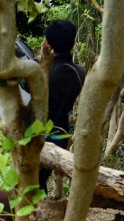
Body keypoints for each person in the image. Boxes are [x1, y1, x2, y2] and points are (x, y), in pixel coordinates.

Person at [41, 19, 85, 193]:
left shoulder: (43, 72)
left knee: (33, 183)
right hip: (61, 134)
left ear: (46, 43)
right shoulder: (79, 72)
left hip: (38, 134)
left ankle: (37, 217)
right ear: (73, 43)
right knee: (40, 179)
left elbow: (24, 84)